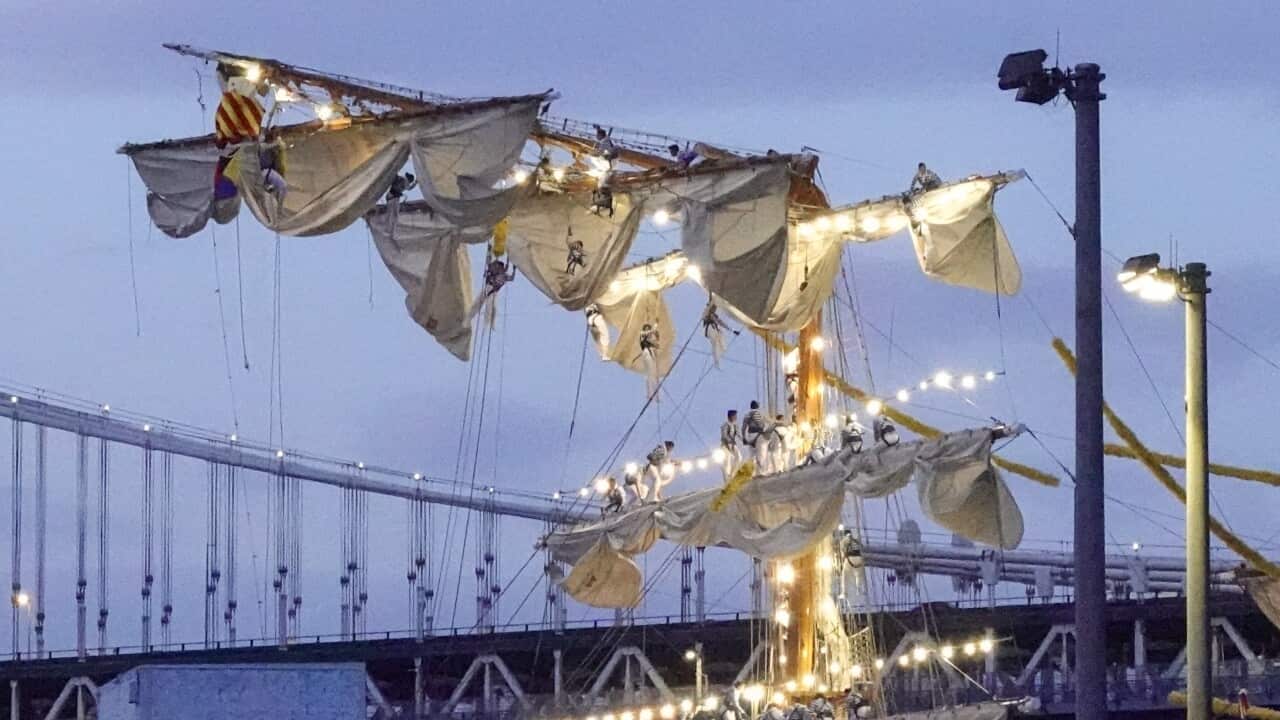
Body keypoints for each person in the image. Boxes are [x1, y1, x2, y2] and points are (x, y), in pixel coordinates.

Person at [470, 257, 516, 321]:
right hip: (489, 287)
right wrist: (489, 253)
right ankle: (473, 315)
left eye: (500, 267)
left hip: (493, 291)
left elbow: (511, 278)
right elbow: (488, 264)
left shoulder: (504, 275)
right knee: (479, 303)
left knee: (490, 306)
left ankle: (489, 319)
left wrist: (514, 269)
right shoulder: (495, 270)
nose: (499, 268)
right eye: (498, 267)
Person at [382, 172, 417, 246]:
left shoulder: (402, 180)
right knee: (393, 215)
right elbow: (409, 188)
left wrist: (415, 183)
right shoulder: (403, 180)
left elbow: (409, 188)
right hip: (393, 197)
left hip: (393, 197)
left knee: (393, 215)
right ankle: (389, 231)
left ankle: (390, 231)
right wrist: (416, 183)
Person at [700, 300, 738, 367]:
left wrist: (732, 330)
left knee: (720, 336)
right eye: (713, 308)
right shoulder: (707, 313)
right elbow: (709, 316)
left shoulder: (713, 315)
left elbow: (721, 323)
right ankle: (717, 360)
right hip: (709, 329)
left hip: (713, 328)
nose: (715, 310)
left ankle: (719, 355)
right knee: (716, 341)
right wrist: (711, 304)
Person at [740, 401, 769, 473]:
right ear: (757, 406)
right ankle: (760, 472)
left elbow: (743, 427)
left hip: (751, 435)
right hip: (760, 435)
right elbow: (769, 422)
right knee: (761, 453)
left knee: (752, 454)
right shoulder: (761, 414)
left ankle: (751, 472)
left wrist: (743, 437)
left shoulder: (747, 415)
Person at [638, 323, 661, 397]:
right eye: (646, 328)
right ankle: (650, 393)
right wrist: (655, 326)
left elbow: (655, 341)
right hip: (646, 353)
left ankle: (654, 392)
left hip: (650, 354)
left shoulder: (649, 338)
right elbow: (650, 332)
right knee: (649, 372)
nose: (648, 330)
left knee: (653, 372)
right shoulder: (642, 334)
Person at [719, 409, 742, 480]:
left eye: (736, 416)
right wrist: (729, 443)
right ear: (730, 416)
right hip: (725, 445)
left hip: (732, 444)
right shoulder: (725, 425)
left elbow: (738, 434)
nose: (736, 417)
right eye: (734, 416)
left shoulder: (735, 425)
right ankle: (727, 478)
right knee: (727, 461)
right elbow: (724, 436)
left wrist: (744, 440)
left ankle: (732, 474)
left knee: (739, 457)